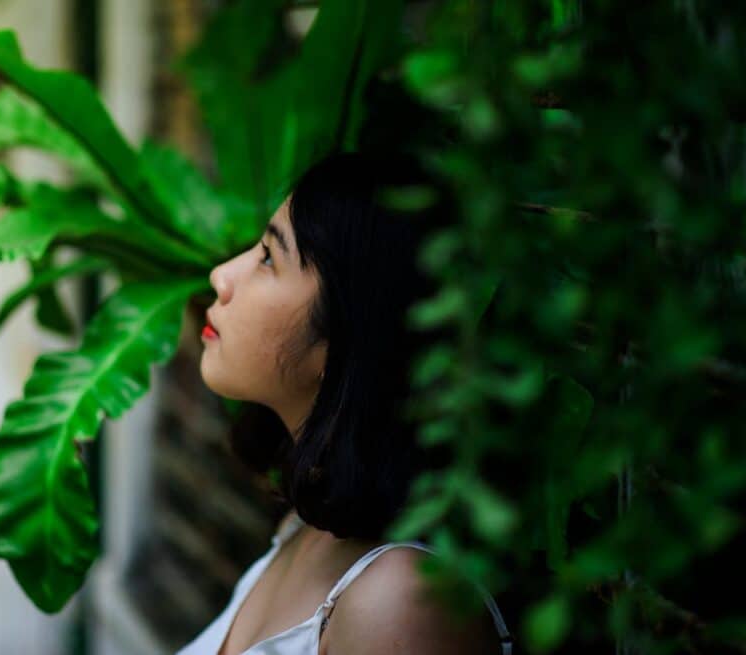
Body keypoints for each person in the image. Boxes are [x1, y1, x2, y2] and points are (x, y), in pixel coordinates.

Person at [176, 152, 513, 655]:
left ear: (348, 338)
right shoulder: (305, 529)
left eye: (268, 258)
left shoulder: (401, 605)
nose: (221, 276)